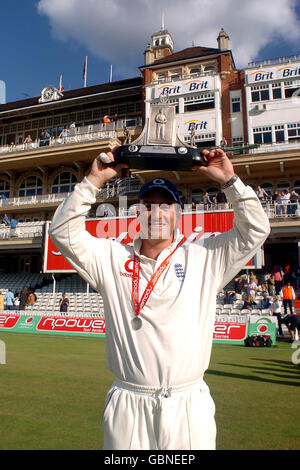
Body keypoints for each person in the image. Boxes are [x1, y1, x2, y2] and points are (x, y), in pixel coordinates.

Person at [49, 147, 270, 450]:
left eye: (166, 205)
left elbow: (256, 230)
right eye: (148, 206)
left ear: (179, 213)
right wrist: (92, 181)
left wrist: (230, 181)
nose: (157, 213)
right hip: (129, 402)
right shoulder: (112, 258)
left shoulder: (204, 256)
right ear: (137, 213)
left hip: (188, 404)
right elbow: (62, 232)